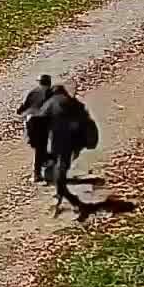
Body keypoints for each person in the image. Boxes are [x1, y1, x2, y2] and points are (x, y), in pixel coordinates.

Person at [36, 84, 99, 213]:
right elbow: (84, 117)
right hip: (73, 139)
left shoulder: (49, 104)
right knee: (62, 164)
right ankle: (63, 194)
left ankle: (64, 195)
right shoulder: (73, 102)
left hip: (58, 139)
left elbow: (39, 121)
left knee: (59, 165)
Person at [17, 74, 54, 182]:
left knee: (36, 146)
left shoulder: (33, 92)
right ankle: (41, 168)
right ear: (49, 83)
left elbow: (22, 108)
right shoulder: (52, 94)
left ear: (39, 82)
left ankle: (43, 165)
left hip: (31, 122)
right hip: (43, 123)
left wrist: (20, 111)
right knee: (40, 148)